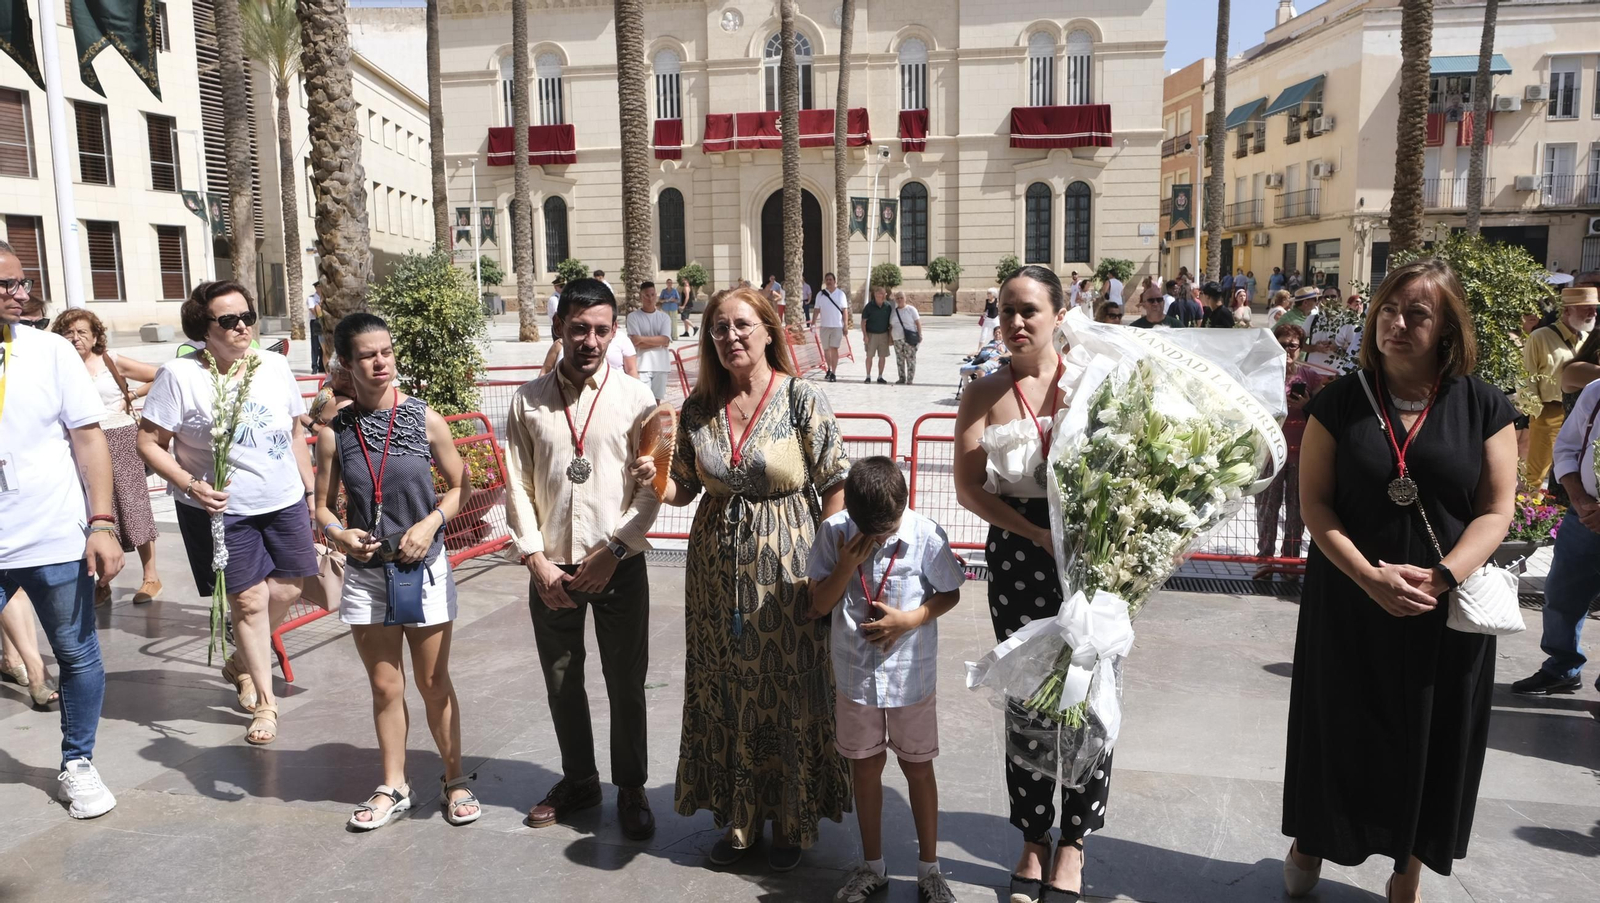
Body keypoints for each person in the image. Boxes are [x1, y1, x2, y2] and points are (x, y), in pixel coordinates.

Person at [1281, 258, 1517, 903]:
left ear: (1447, 327)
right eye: (1389, 308)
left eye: (1418, 312)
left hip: (1443, 607)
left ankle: (1406, 870)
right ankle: (1310, 842)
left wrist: (1441, 577)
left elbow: (1498, 508)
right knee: (1340, 729)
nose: (1398, 323)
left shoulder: (1483, 403)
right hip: (1350, 599)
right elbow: (1316, 506)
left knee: (1430, 735)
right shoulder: (1340, 399)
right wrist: (1368, 577)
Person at [658, 286, 851, 871]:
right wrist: (652, 478)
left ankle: (790, 817)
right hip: (715, 580)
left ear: (770, 330)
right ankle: (739, 818)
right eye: (719, 328)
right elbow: (684, 489)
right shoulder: (697, 409)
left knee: (788, 690)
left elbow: (836, 480)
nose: (730, 337)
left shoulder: (800, 399)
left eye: (742, 325)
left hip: (790, 575)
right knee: (726, 689)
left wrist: (830, 565)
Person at [954, 265, 1108, 901]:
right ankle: (1032, 838)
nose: (1015, 323)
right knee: (1029, 698)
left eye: (1028, 311)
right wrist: (1034, 532)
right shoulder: (982, 391)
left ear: (1058, 315)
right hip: (1019, 555)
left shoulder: (1096, 387)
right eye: (1006, 311)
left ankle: (1074, 841)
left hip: (1095, 555)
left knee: (1086, 700)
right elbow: (967, 488)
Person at [503, 278, 663, 841]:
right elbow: (516, 484)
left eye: (600, 329)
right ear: (558, 330)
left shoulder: (637, 400)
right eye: (578, 329)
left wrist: (615, 549)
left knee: (625, 680)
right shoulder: (527, 400)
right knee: (562, 680)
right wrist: (535, 559)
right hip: (553, 571)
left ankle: (632, 786)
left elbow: (651, 488)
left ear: (614, 332)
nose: (589, 340)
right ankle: (579, 779)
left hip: (617, 564)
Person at [314, 313, 479, 830]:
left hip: (423, 567)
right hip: (367, 572)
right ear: (346, 363)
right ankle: (395, 785)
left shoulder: (423, 418)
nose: (381, 362)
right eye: (367, 355)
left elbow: (460, 485)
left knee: (433, 681)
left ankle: (454, 779)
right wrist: (339, 533)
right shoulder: (334, 432)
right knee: (385, 687)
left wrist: (430, 524)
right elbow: (320, 506)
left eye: (386, 351)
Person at [138, 280, 318, 746]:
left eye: (247, 317)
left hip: (283, 500)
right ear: (204, 327)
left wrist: (314, 493)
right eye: (228, 320)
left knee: (288, 588)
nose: (242, 327)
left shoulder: (275, 366)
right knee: (249, 602)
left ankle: (241, 659)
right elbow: (148, 443)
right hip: (221, 511)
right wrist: (190, 484)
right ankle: (264, 699)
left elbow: (296, 433)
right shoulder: (179, 376)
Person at [0, 242, 124, 816]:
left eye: (22, 283)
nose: (19, 295)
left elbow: (89, 438)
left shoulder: (51, 351)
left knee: (76, 653)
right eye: (6, 285)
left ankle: (78, 763)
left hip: (52, 530)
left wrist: (101, 522)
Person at [809, 457, 965, 903]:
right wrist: (843, 567)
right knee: (865, 767)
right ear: (851, 512)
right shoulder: (835, 532)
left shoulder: (925, 536)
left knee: (918, 766)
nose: (879, 539)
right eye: (871, 530)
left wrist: (910, 619)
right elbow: (817, 605)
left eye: (888, 530)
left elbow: (949, 592)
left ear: (905, 506)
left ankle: (929, 870)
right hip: (855, 677)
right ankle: (872, 867)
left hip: (909, 678)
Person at [51, 310, 163, 605]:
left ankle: (151, 577)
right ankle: (102, 582)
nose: (75, 338)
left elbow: (160, 374)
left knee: (132, 504)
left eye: (82, 332)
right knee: (98, 510)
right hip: (83, 443)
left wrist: (132, 395)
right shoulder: (60, 366)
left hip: (121, 437)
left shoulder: (110, 360)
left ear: (96, 336)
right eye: (68, 333)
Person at [1510, 377, 1600, 696]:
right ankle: (1562, 667)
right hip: (1584, 514)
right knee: (1562, 593)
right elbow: (1567, 447)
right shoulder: (1596, 391)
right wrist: (1580, 500)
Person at [1254, 324, 1327, 576]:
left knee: (1297, 509)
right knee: (1266, 507)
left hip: (1302, 452)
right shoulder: (1264, 374)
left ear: (1300, 348)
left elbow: (1325, 414)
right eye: (1282, 344)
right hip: (1271, 453)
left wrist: (1308, 404)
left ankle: (1290, 561)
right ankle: (1264, 559)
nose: (1287, 350)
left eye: (1292, 345)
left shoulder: (1310, 376)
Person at [1522, 287, 1596, 489]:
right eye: (1586, 308)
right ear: (1567, 311)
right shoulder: (1540, 337)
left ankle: (1555, 515)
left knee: (1570, 472)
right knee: (1537, 475)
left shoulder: (1586, 339)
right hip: (1549, 411)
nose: (1593, 313)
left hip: (1579, 412)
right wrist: (1535, 416)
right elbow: (1525, 376)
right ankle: (1530, 516)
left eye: (1595, 308)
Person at [626, 281, 674, 402]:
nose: (650, 298)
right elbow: (635, 343)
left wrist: (641, 339)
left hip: (661, 366)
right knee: (643, 402)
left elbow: (665, 339)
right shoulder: (633, 317)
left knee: (656, 402)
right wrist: (659, 342)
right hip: (642, 366)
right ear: (641, 297)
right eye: (647, 295)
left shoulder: (664, 317)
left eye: (652, 295)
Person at [816, 272, 850, 382]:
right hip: (825, 326)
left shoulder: (841, 294)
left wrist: (845, 325)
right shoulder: (820, 295)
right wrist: (812, 323)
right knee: (826, 350)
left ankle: (834, 373)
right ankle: (829, 369)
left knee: (834, 349)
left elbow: (845, 310)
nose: (829, 281)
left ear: (835, 281)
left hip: (837, 327)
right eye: (827, 280)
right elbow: (817, 309)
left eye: (831, 279)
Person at [861, 285, 894, 384]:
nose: (882, 296)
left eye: (884, 294)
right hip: (871, 335)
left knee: (882, 356)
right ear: (875, 294)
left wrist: (890, 336)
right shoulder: (869, 306)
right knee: (869, 356)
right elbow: (863, 322)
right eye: (880, 294)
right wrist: (865, 335)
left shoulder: (888, 306)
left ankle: (880, 376)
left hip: (884, 334)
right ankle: (868, 376)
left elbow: (891, 322)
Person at [889, 290, 922, 386]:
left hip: (909, 339)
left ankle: (910, 379)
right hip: (897, 339)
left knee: (910, 359)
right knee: (900, 359)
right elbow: (891, 326)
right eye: (897, 298)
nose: (899, 300)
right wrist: (890, 338)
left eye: (901, 298)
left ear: (905, 299)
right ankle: (901, 378)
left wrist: (920, 335)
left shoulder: (911, 310)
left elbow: (918, 323)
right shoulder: (894, 312)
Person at [307, 286, 324, 374]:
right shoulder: (311, 298)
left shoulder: (325, 297)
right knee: (315, 344)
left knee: (323, 344)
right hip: (315, 322)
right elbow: (313, 310)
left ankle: (322, 365)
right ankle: (314, 366)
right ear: (317, 288)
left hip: (324, 321)